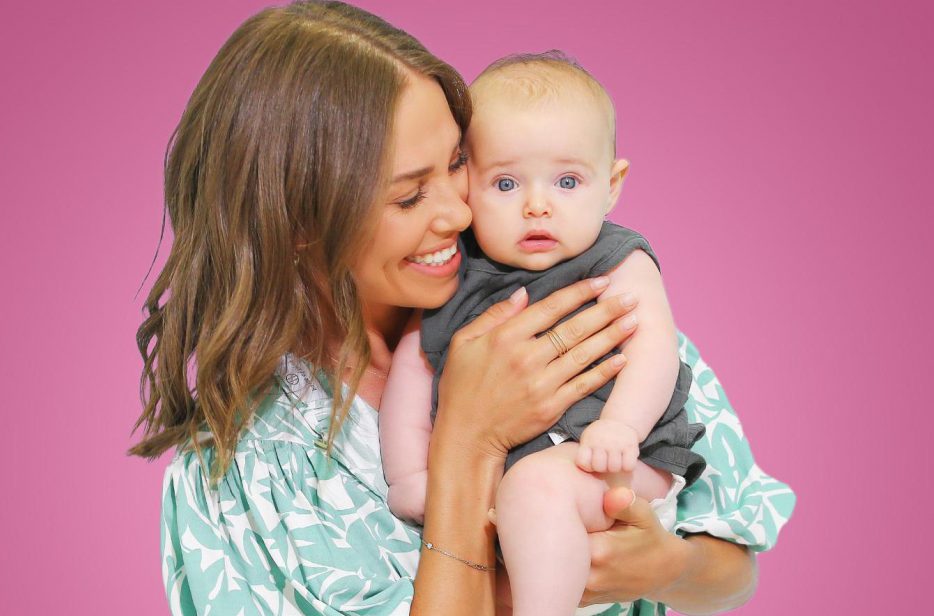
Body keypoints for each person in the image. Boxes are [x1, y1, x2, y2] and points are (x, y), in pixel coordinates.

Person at [129, 2, 795, 615]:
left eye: (457, 165)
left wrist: (666, 567)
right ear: (301, 222)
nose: (458, 211)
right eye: (408, 195)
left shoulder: (583, 316)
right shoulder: (239, 476)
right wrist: (468, 444)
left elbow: (734, 562)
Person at [378, 52, 708, 615]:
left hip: (616, 459)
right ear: (468, 187)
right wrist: (409, 474)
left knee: (536, 490)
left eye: (567, 181)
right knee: (523, 501)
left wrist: (620, 425)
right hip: (511, 482)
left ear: (611, 185)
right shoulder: (456, 273)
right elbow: (412, 371)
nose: (537, 205)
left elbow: (654, 350)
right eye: (505, 183)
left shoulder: (618, 260)